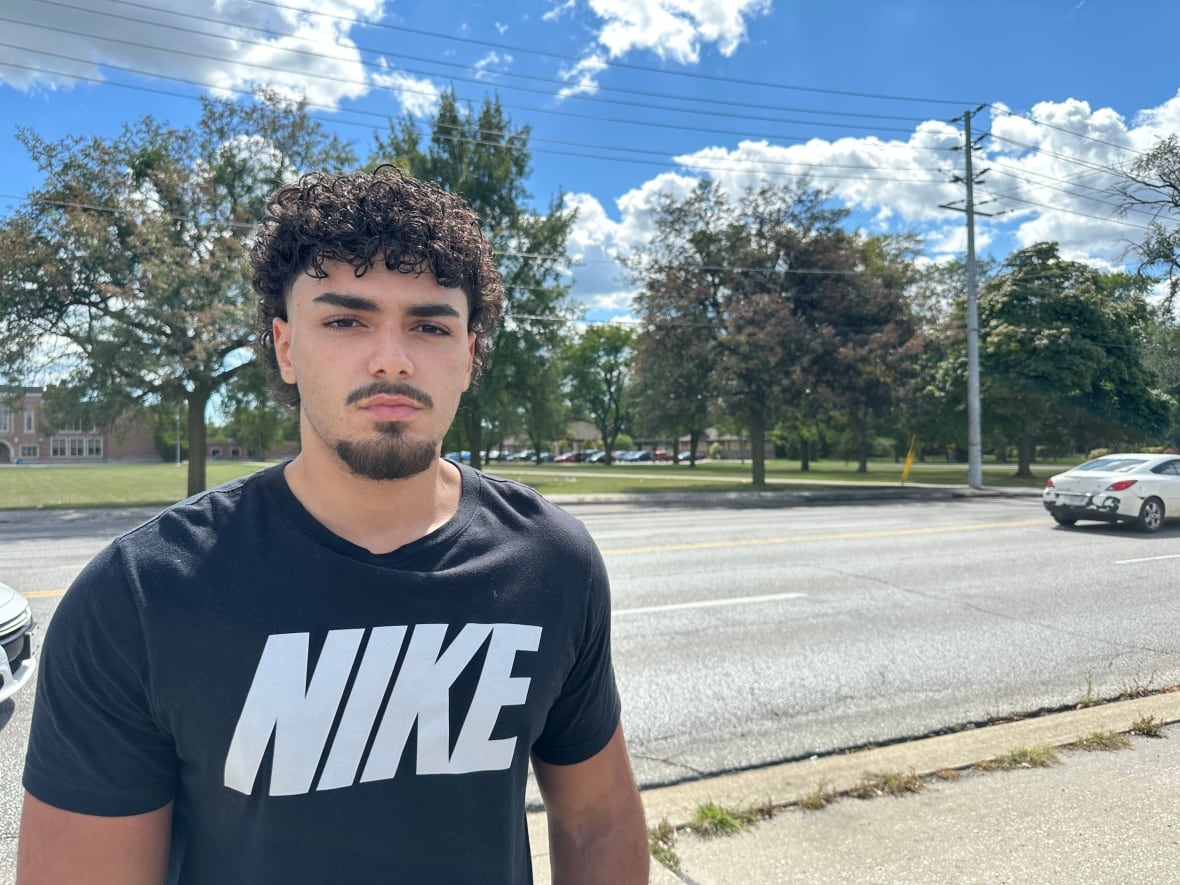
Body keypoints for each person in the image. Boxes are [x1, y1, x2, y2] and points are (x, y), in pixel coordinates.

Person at [18, 169, 649, 884]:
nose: (392, 357)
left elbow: (597, 816)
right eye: (345, 320)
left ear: (470, 355)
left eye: (430, 324)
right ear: (286, 347)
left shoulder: (551, 563)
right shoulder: (138, 597)